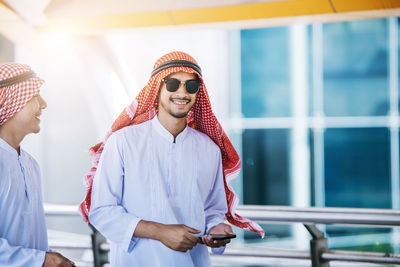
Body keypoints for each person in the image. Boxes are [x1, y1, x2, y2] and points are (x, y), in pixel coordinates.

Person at [80, 51, 264, 267]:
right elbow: (102, 211)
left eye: (191, 86)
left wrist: (215, 229)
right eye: (173, 83)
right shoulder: (123, 142)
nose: (182, 92)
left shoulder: (209, 149)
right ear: (157, 88)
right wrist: (160, 232)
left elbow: (213, 210)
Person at [0, 63, 75, 267]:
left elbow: (30, 235)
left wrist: (50, 256)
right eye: (35, 95)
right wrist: (42, 260)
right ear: (10, 101)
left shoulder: (30, 164)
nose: (43, 104)